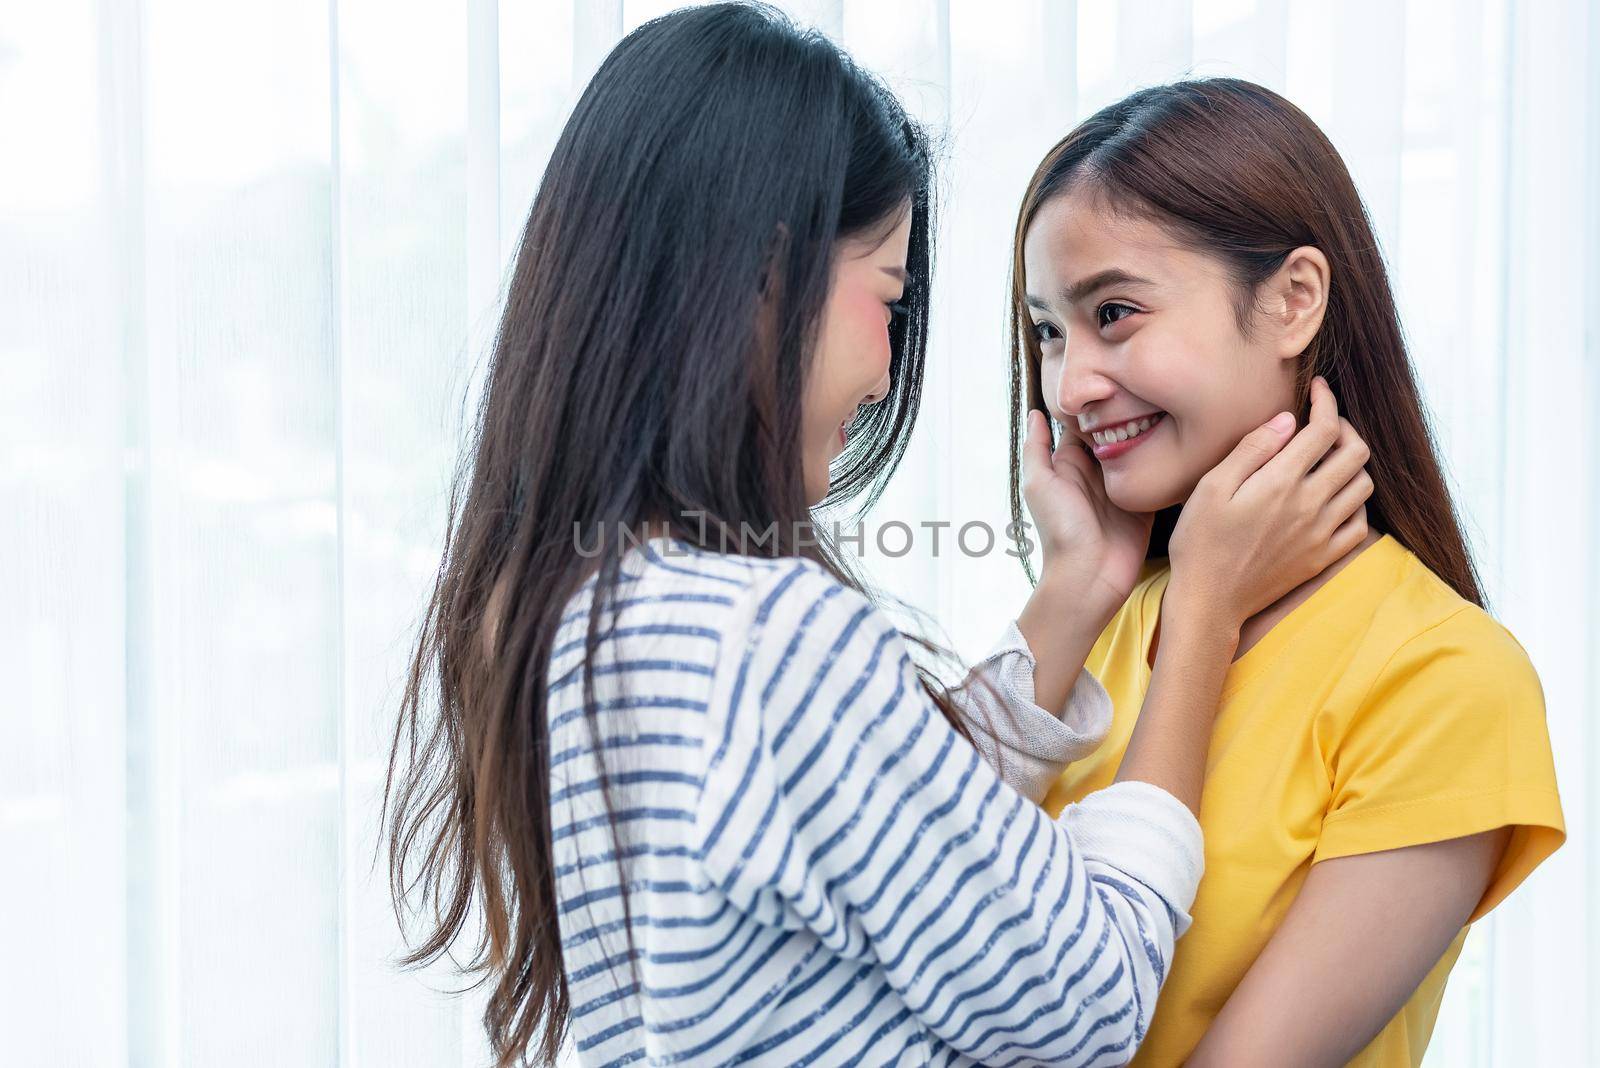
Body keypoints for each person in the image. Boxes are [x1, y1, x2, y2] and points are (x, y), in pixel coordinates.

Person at [384, 11, 1369, 1066]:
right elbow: (1088, 1001)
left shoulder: (581, 618)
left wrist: (1078, 586)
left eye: (1114, 314)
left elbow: (891, 840)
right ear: (770, 283)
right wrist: (1204, 614)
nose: (888, 367)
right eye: (889, 302)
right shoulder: (768, 640)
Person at [1009, 78, 1566, 1068]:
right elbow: (886, 905)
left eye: (1117, 312)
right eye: (1050, 329)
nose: (1068, 384)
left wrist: (1203, 609)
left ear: (1293, 299)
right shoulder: (1108, 617)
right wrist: (1074, 589)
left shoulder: (1446, 681)